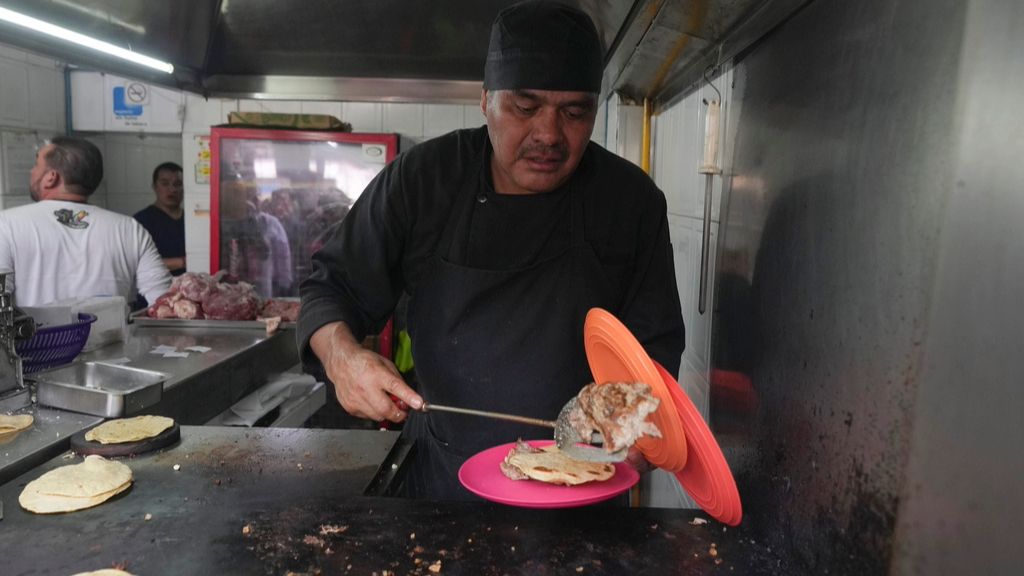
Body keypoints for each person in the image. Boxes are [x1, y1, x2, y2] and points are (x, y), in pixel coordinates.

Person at [298, 0, 685, 500]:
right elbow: (330, 288)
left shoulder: (631, 203)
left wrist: (642, 425)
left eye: (575, 112)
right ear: (486, 101)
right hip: (439, 484)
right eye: (525, 108)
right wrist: (343, 357)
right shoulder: (423, 181)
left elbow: (654, 354)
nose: (549, 134)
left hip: (581, 488)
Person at [0, 136, 171, 307]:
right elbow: (166, 302)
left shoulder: (7, 224)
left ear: (51, 177)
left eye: (37, 165)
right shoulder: (130, 229)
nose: (32, 171)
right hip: (113, 335)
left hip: (35, 334)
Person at [219, 180, 292, 297]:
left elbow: (282, 254)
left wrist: (284, 282)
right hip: (233, 286)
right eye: (247, 197)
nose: (251, 202)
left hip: (262, 286)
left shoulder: (270, 223)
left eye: (255, 197)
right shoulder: (226, 222)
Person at [133, 162, 186, 276]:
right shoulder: (141, 221)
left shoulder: (192, 220)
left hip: (191, 289)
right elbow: (136, 263)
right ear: (155, 187)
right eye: (165, 183)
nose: (172, 189)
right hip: (156, 291)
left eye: (178, 184)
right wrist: (182, 262)